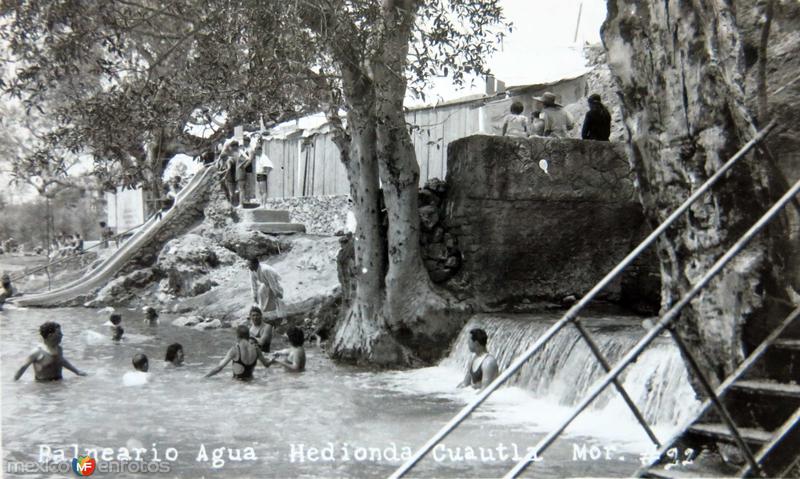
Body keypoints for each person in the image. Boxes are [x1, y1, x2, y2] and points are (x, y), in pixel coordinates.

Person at [14, 322, 87, 381]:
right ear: (50, 336)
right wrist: (14, 381)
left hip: (59, 381)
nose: (62, 335)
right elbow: (23, 367)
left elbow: (62, 361)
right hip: (42, 385)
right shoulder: (37, 352)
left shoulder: (59, 349)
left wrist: (77, 372)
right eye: (59, 333)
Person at [205, 325, 271, 380]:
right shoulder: (256, 349)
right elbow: (266, 365)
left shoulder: (235, 349)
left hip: (238, 385)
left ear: (237, 336)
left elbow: (218, 368)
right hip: (252, 383)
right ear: (248, 336)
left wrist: (204, 377)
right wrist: (275, 361)